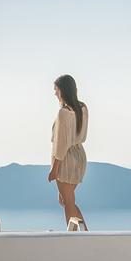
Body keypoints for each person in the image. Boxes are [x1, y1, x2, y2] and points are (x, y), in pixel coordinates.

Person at [48, 74, 88, 229]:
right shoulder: (82, 108)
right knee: (66, 200)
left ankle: (75, 236)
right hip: (79, 156)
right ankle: (85, 233)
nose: (55, 93)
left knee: (68, 203)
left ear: (62, 90)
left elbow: (61, 145)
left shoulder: (63, 113)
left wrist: (54, 170)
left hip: (66, 160)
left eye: (56, 89)